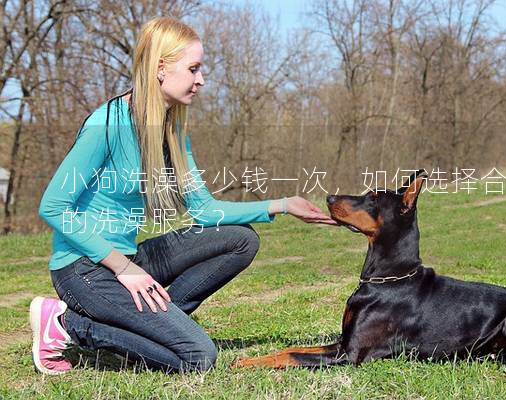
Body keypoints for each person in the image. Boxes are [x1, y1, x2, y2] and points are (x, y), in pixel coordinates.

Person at [30, 16, 336, 375]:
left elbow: (204, 209)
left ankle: (154, 324)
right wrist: (123, 268)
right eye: (193, 69)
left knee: (240, 240)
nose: (201, 79)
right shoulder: (106, 124)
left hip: (130, 261)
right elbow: (53, 205)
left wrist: (284, 205)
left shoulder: (171, 130)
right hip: (83, 270)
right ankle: (66, 325)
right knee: (197, 357)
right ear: (161, 68)